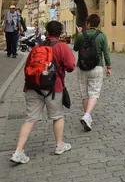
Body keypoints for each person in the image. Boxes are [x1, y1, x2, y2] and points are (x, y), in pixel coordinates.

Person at [10, 20, 76, 164]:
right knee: (57, 116)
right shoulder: (61, 47)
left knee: (30, 118)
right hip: (53, 87)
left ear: (47, 32)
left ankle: (18, 151)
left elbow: (27, 67)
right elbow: (71, 66)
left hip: (33, 87)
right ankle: (59, 145)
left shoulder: (37, 47)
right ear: (60, 33)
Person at [73, 14, 111, 132]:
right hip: (97, 67)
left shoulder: (82, 35)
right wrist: (108, 66)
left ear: (88, 23)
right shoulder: (102, 35)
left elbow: (75, 48)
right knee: (94, 93)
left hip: (82, 67)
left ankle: (87, 116)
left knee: (85, 94)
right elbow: (106, 53)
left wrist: (78, 34)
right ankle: (87, 116)